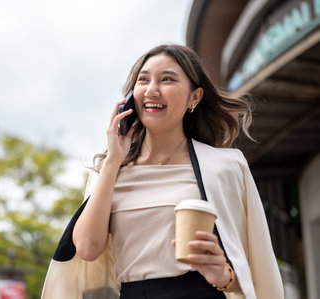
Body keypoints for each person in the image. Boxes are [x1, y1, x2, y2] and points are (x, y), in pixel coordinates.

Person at [41, 44, 284, 299]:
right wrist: (113, 160)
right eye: (143, 80)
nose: (152, 90)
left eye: (167, 79)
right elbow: (88, 249)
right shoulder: (109, 169)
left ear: (195, 97)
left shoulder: (226, 166)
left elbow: (256, 274)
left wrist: (222, 275)